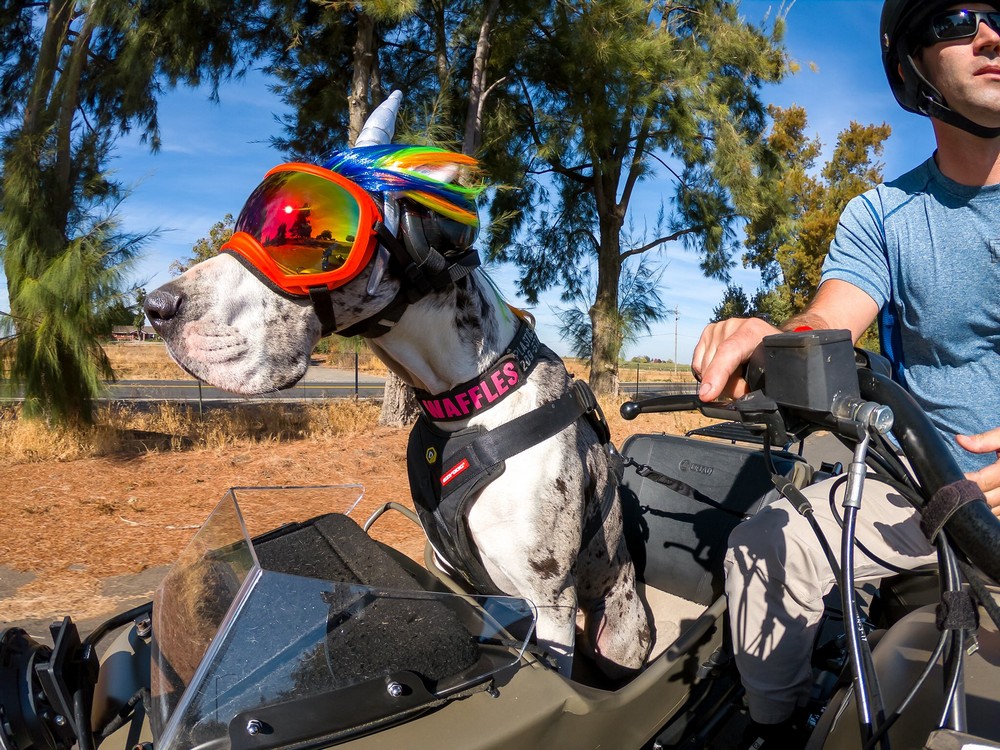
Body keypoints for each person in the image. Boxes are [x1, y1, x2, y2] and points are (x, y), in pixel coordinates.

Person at [691, 1, 1000, 745]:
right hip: (921, 486)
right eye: (956, 21)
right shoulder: (884, 215)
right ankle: (777, 723)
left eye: (998, 15)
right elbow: (827, 320)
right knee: (766, 543)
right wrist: (771, 338)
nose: (991, 34)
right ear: (912, 70)